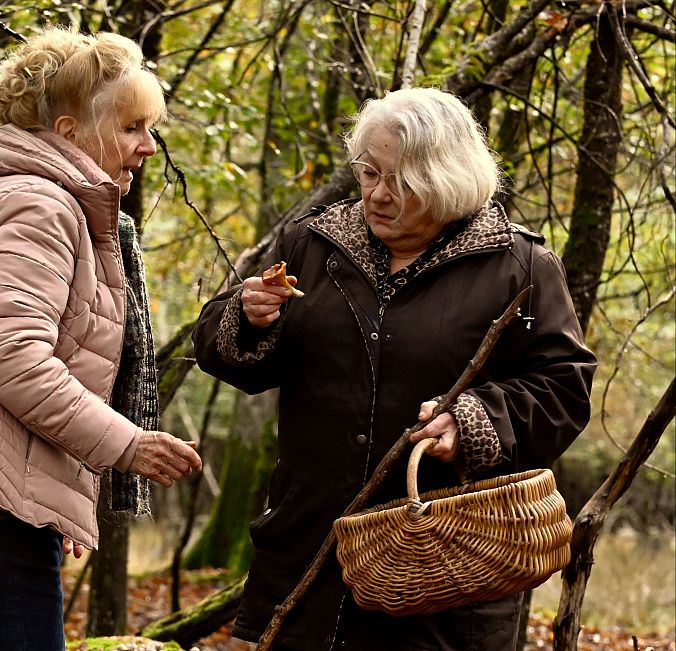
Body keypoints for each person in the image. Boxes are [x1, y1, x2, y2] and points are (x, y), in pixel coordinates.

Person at [192, 87, 596, 651]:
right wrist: (247, 315)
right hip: (307, 561)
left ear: (445, 179)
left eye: (400, 182)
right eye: (368, 173)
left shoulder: (518, 267)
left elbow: (565, 389)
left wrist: (475, 422)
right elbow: (220, 349)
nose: (377, 195)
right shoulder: (313, 246)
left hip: (447, 582)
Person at [0, 28, 202, 651]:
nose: (148, 147)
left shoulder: (36, 201)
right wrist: (129, 445)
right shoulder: (41, 205)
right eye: (132, 128)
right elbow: (14, 360)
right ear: (68, 132)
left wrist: (50, 497)